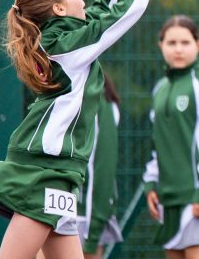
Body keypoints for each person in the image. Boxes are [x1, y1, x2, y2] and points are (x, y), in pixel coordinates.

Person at [0, 0, 185, 259]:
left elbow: (102, 10)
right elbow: (121, 13)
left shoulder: (65, 40)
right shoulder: (64, 46)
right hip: (42, 170)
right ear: (57, 9)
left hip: (59, 175)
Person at [142, 15, 199, 258]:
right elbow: (157, 145)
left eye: (185, 42)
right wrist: (152, 182)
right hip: (170, 199)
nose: (178, 49)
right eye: (171, 43)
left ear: (198, 45)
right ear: (160, 45)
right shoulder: (160, 89)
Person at [79, 73, 124, 259]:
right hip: (52, 208)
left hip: (82, 216)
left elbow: (103, 169)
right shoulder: (56, 97)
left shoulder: (98, 104)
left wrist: (93, 230)